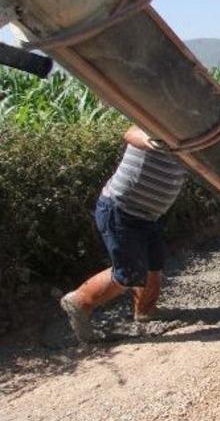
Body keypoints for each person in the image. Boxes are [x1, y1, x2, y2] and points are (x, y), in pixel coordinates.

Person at [60, 125, 187, 342]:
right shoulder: (158, 118)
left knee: (153, 267)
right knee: (129, 272)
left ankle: (145, 311)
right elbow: (131, 133)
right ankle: (78, 302)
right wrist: (152, 141)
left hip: (147, 215)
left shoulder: (194, 133)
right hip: (121, 209)